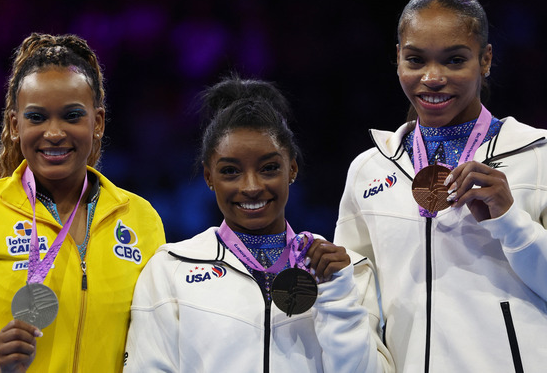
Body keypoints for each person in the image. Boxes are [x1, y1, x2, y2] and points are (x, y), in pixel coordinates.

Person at [334, 0, 547, 373]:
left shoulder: (537, 156)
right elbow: (357, 303)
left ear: (485, 60)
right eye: (416, 60)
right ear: (398, 58)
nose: (432, 78)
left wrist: (512, 222)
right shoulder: (369, 171)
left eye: (454, 61)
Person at [123, 74, 395, 372]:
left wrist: (337, 297)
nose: (251, 186)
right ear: (208, 177)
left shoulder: (346, 270)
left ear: (291, 169)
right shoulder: (170, 270)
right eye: (230, 171)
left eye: (268, 168)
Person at [0, 33, 166, 373]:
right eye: (36, 118)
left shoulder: (141, 220)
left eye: (72, 116)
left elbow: (158, 349)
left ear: (98, 122)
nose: (54, 133)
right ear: (14, 125)